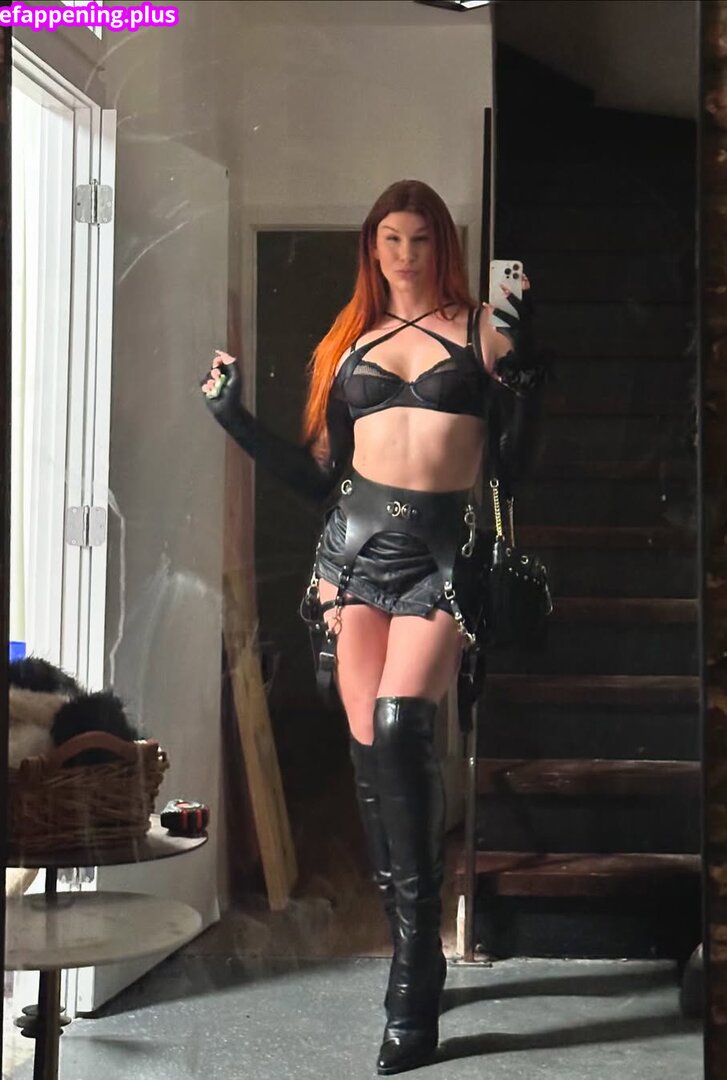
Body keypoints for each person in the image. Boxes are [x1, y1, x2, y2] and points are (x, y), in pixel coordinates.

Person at [200, 180, 542, 1075]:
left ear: (442, 246)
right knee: (367, 751)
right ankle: (411, 948)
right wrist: (233, 420)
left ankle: (413, 977)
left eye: (419, 238)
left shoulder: (483, 331)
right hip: (352, 556)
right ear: (372, 246)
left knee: (400, 724)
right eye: (390, 238)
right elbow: (319, 476)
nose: (404, 254)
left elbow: (511, 470)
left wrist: (528, 379)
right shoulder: (347, 341)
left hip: (442, 555)